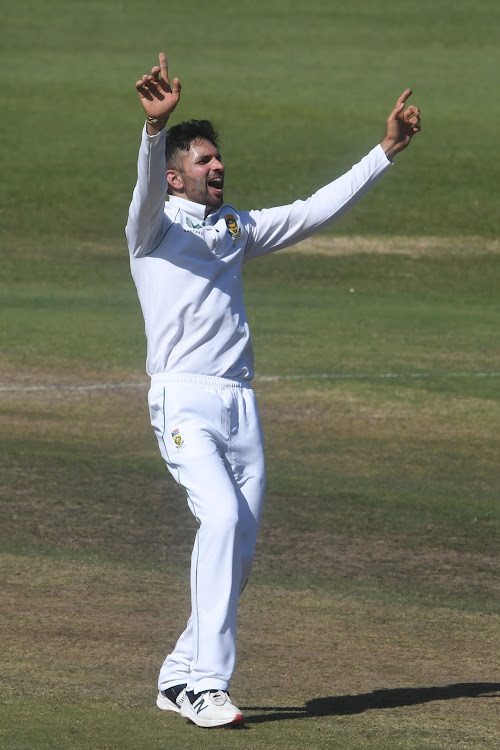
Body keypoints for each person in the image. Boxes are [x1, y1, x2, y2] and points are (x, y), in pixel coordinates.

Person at [126, 52, 421, 729]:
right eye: (203, 161)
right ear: (176, 177)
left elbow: (312, 211)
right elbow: (143, 193)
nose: (217, 166)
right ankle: (206, 684)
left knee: (240, 551)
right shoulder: (152, 230)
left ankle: (177, 674)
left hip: (240, 405)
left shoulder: (234, 231)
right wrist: (153, 132)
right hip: (183, 402)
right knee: (222, 521)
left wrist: (385, 152)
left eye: (218, 158)